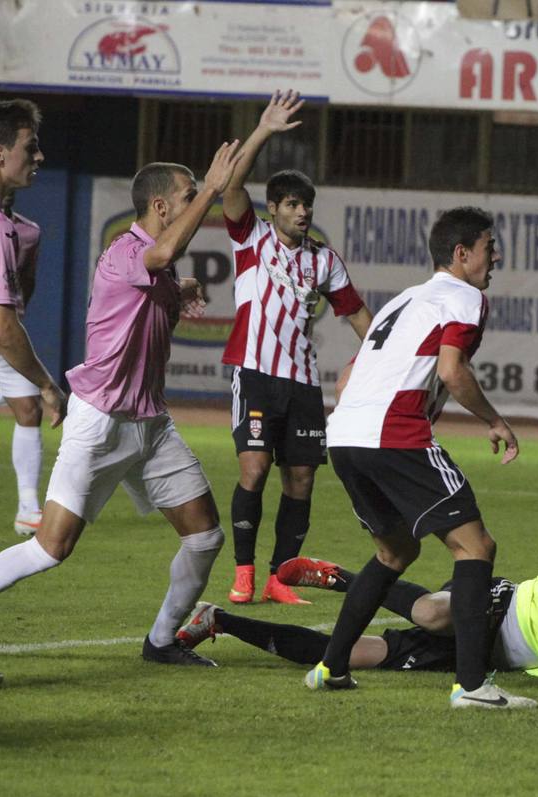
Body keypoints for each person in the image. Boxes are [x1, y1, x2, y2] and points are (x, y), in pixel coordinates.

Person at [0, 141, 244, 667]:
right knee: (50, 549)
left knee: (205, 536)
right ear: (161, 207)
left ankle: (160, 642)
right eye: (188, 195)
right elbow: (159, 256)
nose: (196, 199)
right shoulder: (124, 252)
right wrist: (216, 193)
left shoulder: (156, 271)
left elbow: (159, 281)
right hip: (100, 424)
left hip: (151, 427)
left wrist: (180, 291)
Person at [310, 205, 529, 710]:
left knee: (395, 553)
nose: (495, 258)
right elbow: (453, 371)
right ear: (462, 253)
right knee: (475, 548)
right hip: (395, 435)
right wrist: (494, 421)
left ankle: (331, 668)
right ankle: (472, 686)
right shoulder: (467, 298)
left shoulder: (402, 301)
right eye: (489, 248)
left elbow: (344, 381)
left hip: (343, 436)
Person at [177, 519, 538, 690]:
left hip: (492, 658)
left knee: (359, 655)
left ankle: (218, 619)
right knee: (435, 611)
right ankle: (343, 578)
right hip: (501, 605)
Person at [219, 90, 371, 605]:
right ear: (273, 209)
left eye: (307, 205)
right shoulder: (250, 240)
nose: (302, 212)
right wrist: (263, 129)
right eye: (293, 205)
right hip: (255, 371)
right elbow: (231, 182)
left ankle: (278, 578)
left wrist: (376, 360)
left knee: (301, 479)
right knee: (255, 469)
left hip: (303, 382)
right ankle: (243, 571)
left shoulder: (324, 261)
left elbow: (355, 314)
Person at [0, 99, 67, 537]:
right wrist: (47, 383)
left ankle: (28, 507)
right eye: (31, 147)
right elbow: (5, 326)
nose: (39, 157)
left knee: (25, 409)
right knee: (32, 400)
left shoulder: (21, 229)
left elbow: (17, 302)